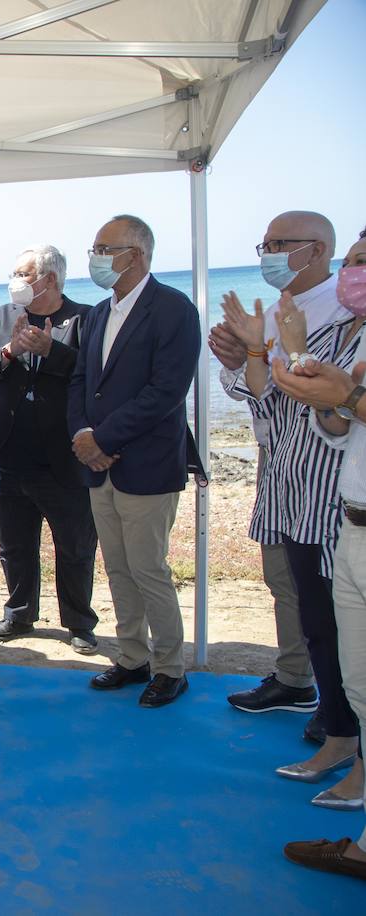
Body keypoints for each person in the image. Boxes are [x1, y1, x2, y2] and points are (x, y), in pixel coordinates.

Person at [223, 226, 364, 808]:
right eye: (357, 259)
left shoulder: (324, 324)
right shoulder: (332, 328)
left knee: (335, 634)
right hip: (301, 495)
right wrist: (259, 349)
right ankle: (338, 738)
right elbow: (280, 393)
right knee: (322, 627)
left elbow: (326, 402)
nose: (356, 272)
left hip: (332, 502)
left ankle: (341, 741)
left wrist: (329, 390)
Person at [211, 211, 345, 736]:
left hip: (327, 464)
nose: (266, 253)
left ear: (317, 250)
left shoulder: (340, 309)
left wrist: (260, 354)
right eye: (263, 243)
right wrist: (238, 354)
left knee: (328, 586)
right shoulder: (277, 310)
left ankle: (338, 707)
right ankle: (297, 679)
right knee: (283, 576)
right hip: (279, 458)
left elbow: (312, 387)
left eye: (278, 243)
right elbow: (253, 390)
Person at [69, 214, 202, 708]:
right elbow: (81, 381)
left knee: (149, 569)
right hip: (98, 464)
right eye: (96, 247)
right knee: (118, 568)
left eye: (106, 249)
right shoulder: (99, 314)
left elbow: (166, 391)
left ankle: (170, 667)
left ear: (137, 256)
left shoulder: (173, 309)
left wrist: (103, 437)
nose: (97, 257)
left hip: (145, 464)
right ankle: (131, 658)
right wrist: (83, 436)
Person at [273, 241, 366, 875]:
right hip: (353, 521)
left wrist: (346, 398)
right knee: (360, 685)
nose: (351, 275)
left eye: (359, 263)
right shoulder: (351, 333)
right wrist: (289, 352)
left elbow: (346, 410)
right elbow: (334, 426)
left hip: (343, 518)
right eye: (354, 261)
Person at [0, 245, 99, 653]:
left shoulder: (84, 318)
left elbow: (94, 374)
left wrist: (53, 352)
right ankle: (19, 614)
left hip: (63, 458)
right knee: (13, 544)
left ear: (49, 279)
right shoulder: (0, 317)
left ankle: (80, 622)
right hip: (10, 454)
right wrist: (12, 351)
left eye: (24, 273)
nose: (16, 280)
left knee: (75, 545)